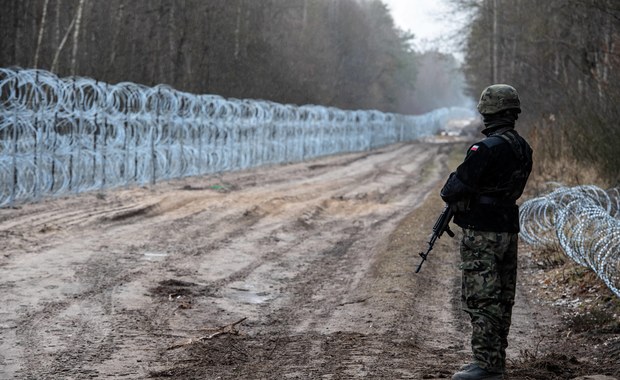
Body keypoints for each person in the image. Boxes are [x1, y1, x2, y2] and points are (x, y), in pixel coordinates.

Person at [440, 84, 533, 380]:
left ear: (488, 111)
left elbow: (453, 188)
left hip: (483, 230)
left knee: (482, 297)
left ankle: (486, 364)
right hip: (507, 226)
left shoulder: (485, 148)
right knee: (503, 296)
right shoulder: (523, 147)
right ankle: (495, 360)